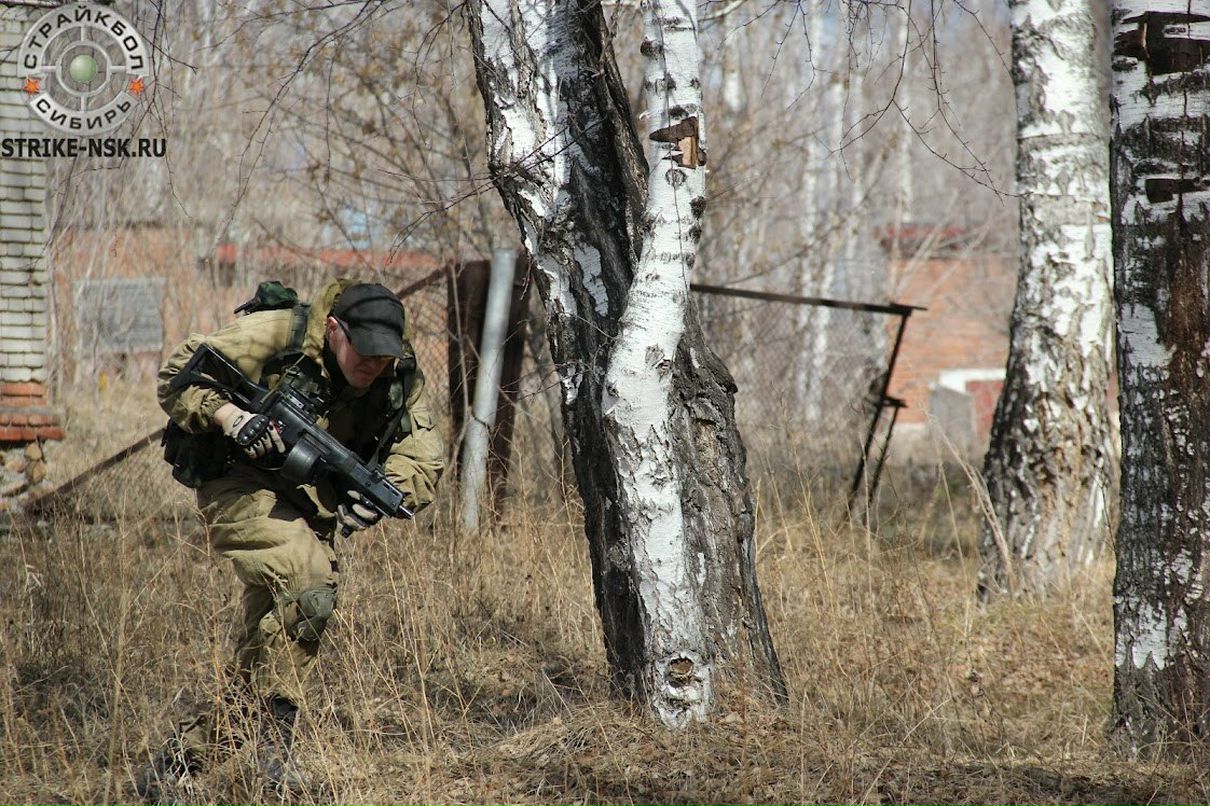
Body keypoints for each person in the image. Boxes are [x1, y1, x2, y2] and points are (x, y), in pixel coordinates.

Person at [136, 279, 443, 803]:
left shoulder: (398, 370)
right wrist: (233, 418)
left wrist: (388, 491)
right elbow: (176, 375)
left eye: (382, 356)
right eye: (362, 352)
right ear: (333, 330)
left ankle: (180, 762)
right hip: (236, 477)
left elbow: (423, 453)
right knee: (309, 581)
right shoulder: (277, 333)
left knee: (271, 638)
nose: (372, 366)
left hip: (307, 497)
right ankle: (277, 753)